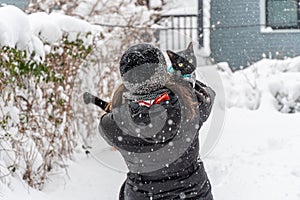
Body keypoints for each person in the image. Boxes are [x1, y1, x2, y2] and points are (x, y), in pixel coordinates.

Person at [98, 43, 215, 200]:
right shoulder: (192, 108)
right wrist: (183, 85)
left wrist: (123, 97)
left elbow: (104, 124)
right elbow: (209, 94)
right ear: (163, 72)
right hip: (195, 194)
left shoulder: (115, 126)